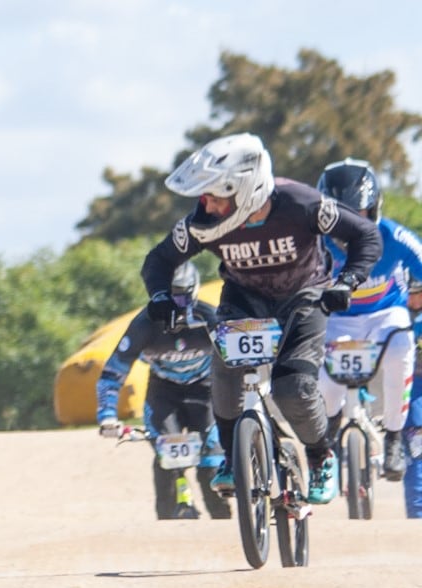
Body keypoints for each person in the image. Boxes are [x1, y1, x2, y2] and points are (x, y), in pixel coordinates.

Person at [140, 132, 382, 505]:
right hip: (245, 298)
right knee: (225, 375)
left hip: (303, 297)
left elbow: (366, 235)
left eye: (215, 196)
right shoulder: (206, 223)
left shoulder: (302, 203)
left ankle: (320, 456)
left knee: (293, 389)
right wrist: (159, 296)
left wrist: (348, 281)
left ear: (246, 190)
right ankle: (230, 457)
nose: (206, 205)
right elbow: (159, 259)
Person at [315, 158, 422, 483]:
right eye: (340, 217)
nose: (349, 226)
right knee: (329, 386)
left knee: (401, 346)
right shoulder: (313, 242)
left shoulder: (396, 237)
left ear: (374, 209)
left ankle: (392, 437)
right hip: (335, 320)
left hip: (385, 315)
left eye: (358, 214)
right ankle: (328, 435)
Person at [97, 263, 231, 520]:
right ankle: (167, 526)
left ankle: (225, 525)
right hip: (163, 393)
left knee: (211, 467)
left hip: (205, 391)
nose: (173, 306)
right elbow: (112, 373)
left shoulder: (208, 317)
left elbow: (236, 360)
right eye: (164, 297)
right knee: (167, 458)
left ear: (194, 292)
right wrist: (107, 416)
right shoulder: (144, 324)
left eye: (180, 297)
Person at [404, 282, 422, 517]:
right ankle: (417, 515)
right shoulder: (398, 315)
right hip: (414, 393)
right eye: (411, 295)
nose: (415, 300)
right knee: (417, 452)